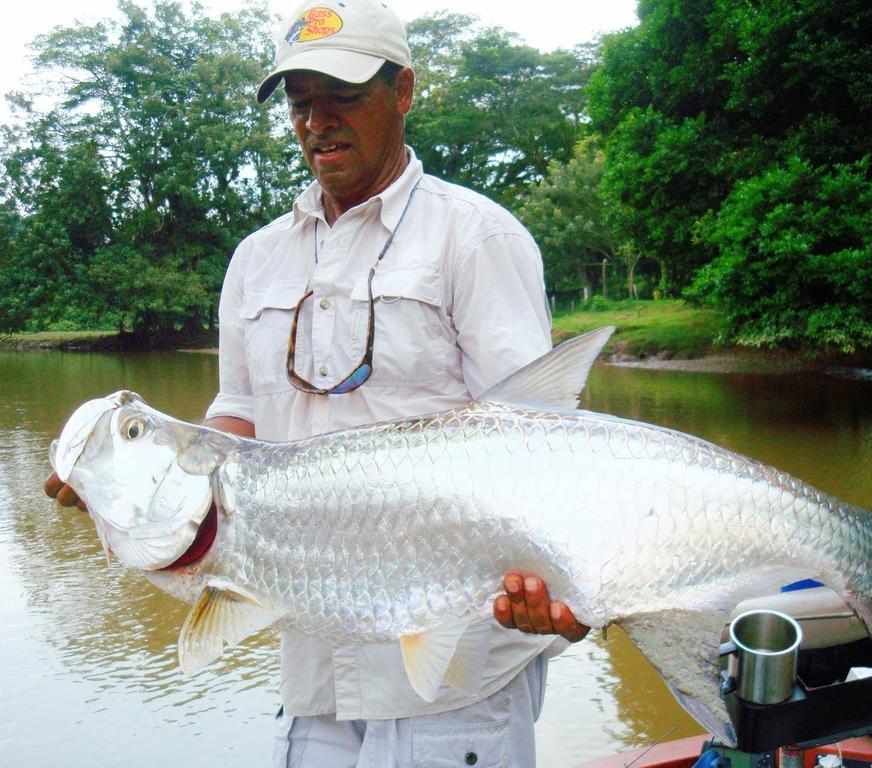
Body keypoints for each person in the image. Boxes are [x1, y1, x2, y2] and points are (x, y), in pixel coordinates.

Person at [46, 0, 589, 764]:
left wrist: (568, 580)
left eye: (343, 97)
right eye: (301, 104)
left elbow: (537, 442)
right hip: (313, 662)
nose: (317, 123)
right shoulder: (256, 260)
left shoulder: (477, 236)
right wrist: (139, 485)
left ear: (403, 90)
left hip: (458, 672)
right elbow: (236, 418)